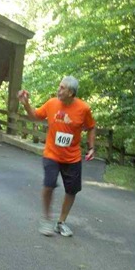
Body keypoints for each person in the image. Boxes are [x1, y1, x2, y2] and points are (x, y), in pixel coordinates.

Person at [18, 76, 96, 237]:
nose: (58, 90)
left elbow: (91, 127)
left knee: (72, 190)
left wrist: (91, 147)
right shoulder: (52, 103)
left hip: (72, 157)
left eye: (62, 88)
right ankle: (46, 219)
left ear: (71, 92)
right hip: (51, 154)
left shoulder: (83, 108)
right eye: (59, 87)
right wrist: (26, 104)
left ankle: (61, 222)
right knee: (49, 185)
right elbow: (35, 116)